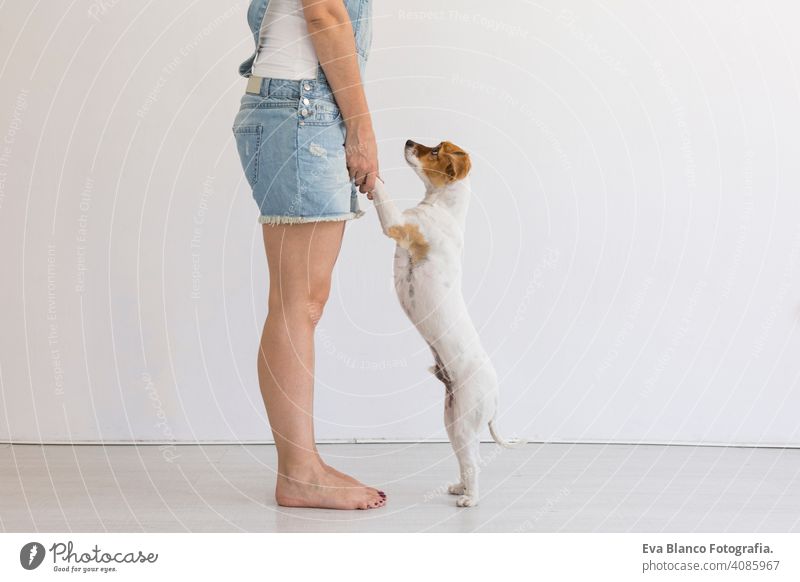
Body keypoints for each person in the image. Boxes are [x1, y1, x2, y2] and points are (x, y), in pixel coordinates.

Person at [231, 0, 385, 509]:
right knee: (298, 304)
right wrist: (361, 129)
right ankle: (298, 472)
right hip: (301, 110)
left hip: (296, 106)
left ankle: (303, 466)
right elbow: (323, 13)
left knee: (301, 303)